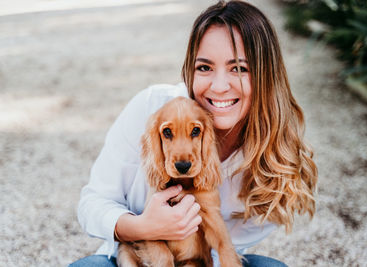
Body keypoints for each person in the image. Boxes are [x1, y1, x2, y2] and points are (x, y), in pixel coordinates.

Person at [70, 1, 318, 266]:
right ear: (190, 69)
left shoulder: (271, 156)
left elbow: (225, 247)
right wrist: (144, 227)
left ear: (265, 77)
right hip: (135, 256)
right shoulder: (151, 107)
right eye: (204, 67)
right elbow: (93, 203)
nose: (220, 86)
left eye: (239, 68)